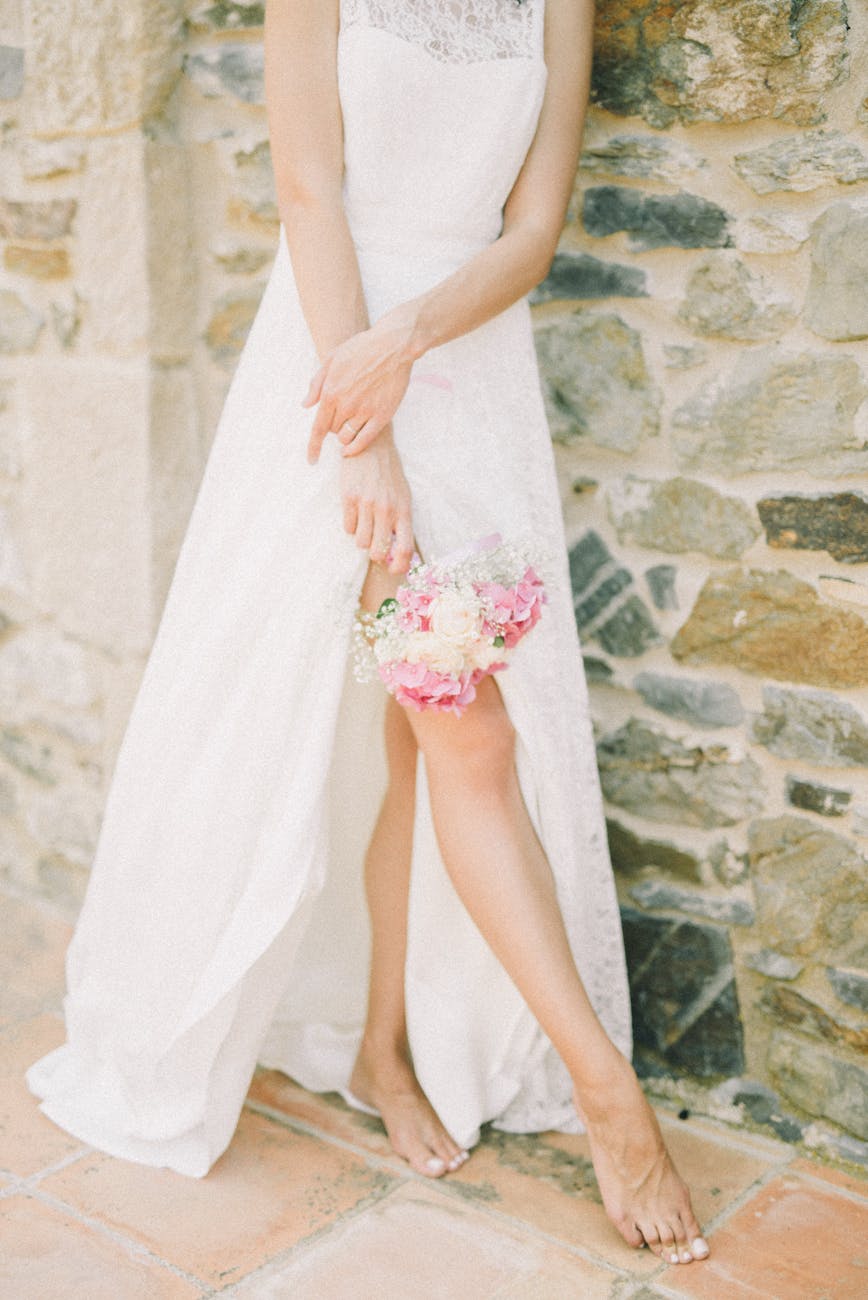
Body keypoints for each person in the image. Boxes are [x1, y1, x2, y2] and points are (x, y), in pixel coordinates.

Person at [26, 0, 709, 1267]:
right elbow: (309, 185)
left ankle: (383, 1045)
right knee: (466, 735)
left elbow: (533, 228)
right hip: (334, 380)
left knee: (428, 742)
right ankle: (608, 1093)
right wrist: (368, 428)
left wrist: (415, 337)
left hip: (465, 371)